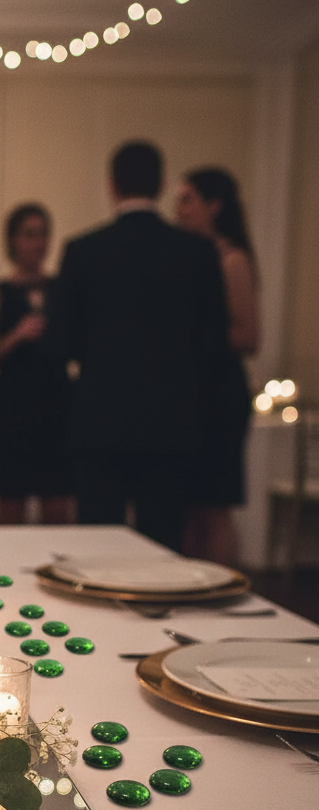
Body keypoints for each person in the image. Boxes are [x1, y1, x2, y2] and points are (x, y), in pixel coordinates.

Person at [48, 141, 228, 552]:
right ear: (162, 184)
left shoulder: (84, 251)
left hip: (100, 420)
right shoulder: (196, 253)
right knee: (163, 547)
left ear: (112, 186)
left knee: (97, 549)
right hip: (171, 422)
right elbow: (212, 343)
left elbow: (59, 342)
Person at [175, 167, 258, 565]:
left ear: (214, 206)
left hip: (219, 395)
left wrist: (192, 335)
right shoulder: (193, 258)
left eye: (188, 199)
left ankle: (224, 587)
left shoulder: (231, 260)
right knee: (190, 503)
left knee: (215, 503)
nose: (179, 208)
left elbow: (249, 336)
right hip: (192, 393)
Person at [0, 203, 73, 524]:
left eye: (44, 234)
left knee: (59, 500)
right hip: (13, 406)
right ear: (13, 240)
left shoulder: (63, 290)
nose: (39, 243)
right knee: (11, 502)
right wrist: (17, 335)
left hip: (57, 402)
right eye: (30, 235)